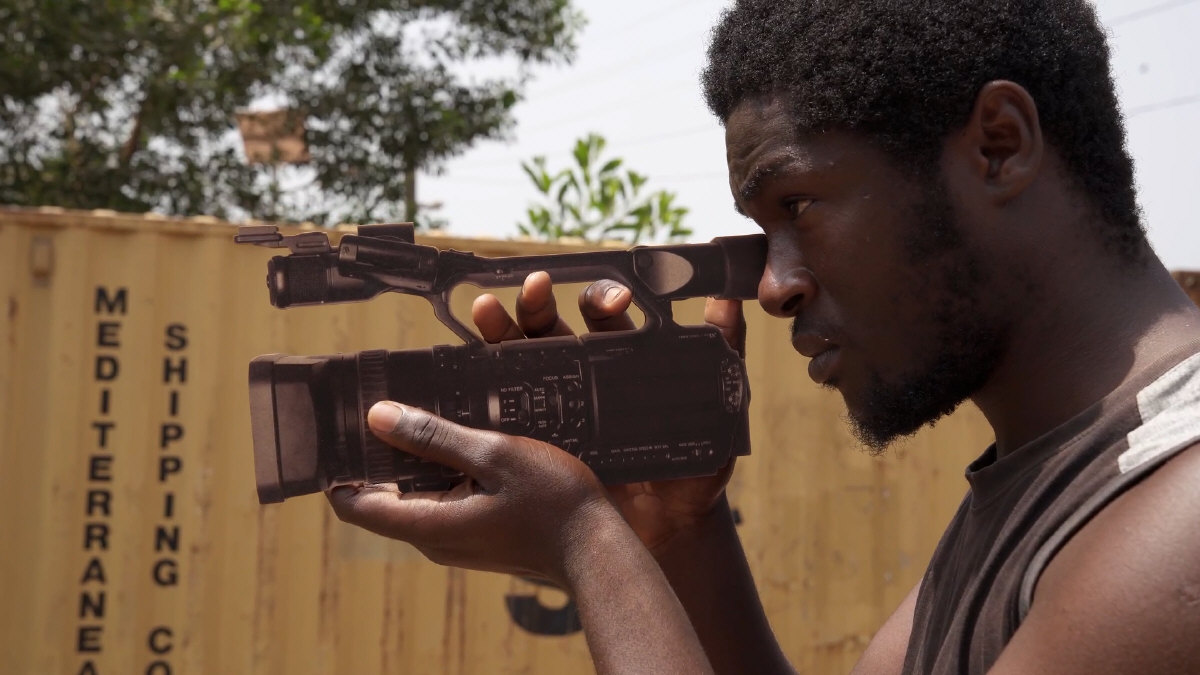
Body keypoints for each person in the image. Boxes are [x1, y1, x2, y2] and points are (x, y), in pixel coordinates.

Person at [328, 1, 1200, 672]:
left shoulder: (1181, 525)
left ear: (1000, 146)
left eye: (799, 206)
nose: (776, 285)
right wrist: (672, 528)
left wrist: (586, 542)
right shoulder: (1047, 486)